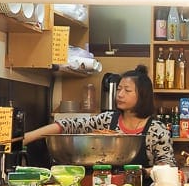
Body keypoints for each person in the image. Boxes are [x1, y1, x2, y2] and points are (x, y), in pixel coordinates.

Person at [24, 65, 176, 168]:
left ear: (142, 96)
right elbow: (68, 125)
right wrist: (29, 136)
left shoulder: (156, 130)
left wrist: (141, 173)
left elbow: (167, 167)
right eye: (119, 89)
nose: (120, 94)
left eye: (127, 90)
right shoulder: (107, 120)